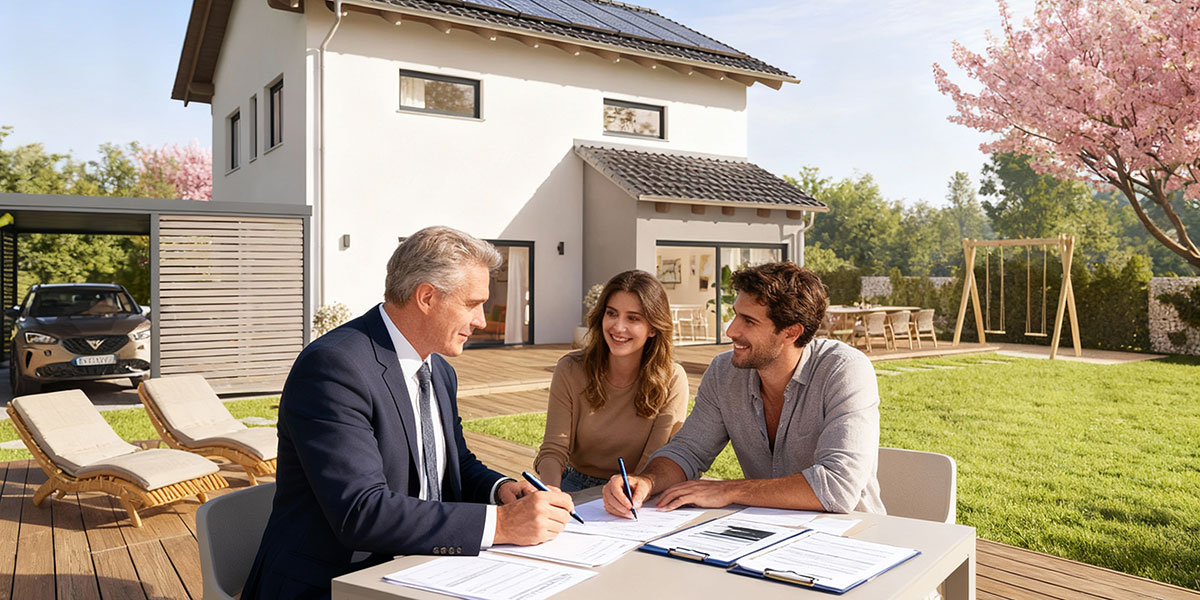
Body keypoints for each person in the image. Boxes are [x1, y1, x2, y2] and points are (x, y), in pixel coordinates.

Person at [243, 226, 575, 600]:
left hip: (422, 569)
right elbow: (361, 510)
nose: (482, 320)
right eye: (472, 304)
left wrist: (502, 491)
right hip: (334, 583)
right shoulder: (334, 367)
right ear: (427, 297)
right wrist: (500, 525)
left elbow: (455, 464)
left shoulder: (438, 369)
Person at [603, 261, 884, 518]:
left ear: (791, 332)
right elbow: (688, 450)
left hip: (849, 535)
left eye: (748, 321)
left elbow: (837, 487)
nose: (731, 330)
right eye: (736, 315)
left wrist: (729, 490)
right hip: (765, 533)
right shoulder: (724, 372)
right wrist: (647, 480)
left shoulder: (844, 370)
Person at [535, 270, 688, 492]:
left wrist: (628, 492)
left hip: (637, 487)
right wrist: (550, 492)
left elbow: (653, 461)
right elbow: (553, 448)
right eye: (612, 313)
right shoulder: (570, 369)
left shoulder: (672, 378)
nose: (618, 327)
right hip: (575, 483)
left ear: (653, 328)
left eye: (633, 318)